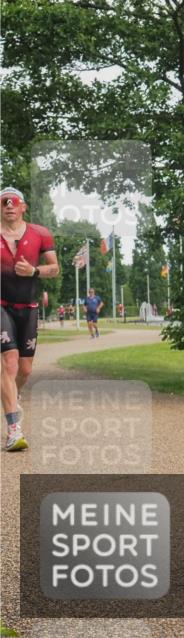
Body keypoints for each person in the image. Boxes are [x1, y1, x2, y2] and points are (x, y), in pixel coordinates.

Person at [1, 187, 60, 452]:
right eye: (4, 203)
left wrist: (34, 271)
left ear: (23, 207)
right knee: (10, 362)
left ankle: (11, 396)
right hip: (1, 305)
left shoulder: (41, 233)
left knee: (24, 370)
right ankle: (14, 430)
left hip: (29, 307)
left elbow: (55, 269)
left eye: (14, 203)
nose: (9, 206)